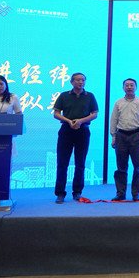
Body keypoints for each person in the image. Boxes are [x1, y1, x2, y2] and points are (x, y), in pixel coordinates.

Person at [52, 72, 98, 204]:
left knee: (80, 163)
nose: (80, 82)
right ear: (72, 82)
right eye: (78, 80)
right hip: (66, 130)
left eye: (83, 80)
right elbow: (56, 113)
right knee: (62, 163)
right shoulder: (64, 95)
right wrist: (68, 121)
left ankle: (77, 192)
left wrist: (81, 121)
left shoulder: (90, 96)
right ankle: (60, 193)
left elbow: (94, 114)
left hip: (83, 130)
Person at [110, 78, 139, 201]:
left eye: (132, 85)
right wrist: (113, 137)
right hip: (121, 136)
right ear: (123, 88)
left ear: (136, 87)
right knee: (121, 167)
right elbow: (114, 120)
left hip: (136, 135)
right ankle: (120, 193)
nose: (129, 87)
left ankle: (136, 194)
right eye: (127, 85)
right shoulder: (118, 102)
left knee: (137, 166)